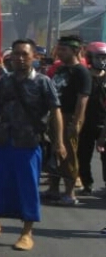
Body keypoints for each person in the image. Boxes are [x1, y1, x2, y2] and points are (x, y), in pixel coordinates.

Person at [0, 39, 64, 252]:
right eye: (16, 54)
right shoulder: (5, 81)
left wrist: (60, 142)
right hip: (4, 141)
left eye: (25, 54)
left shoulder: (43, 82)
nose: (20, 58)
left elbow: (56, 112)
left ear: (35, 57)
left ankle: (26, 233)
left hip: (29, 144)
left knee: (27, 188)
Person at [43, 35, 91, 206]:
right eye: (59, 49)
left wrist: (75, 123)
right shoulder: (60, 69)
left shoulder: (81, 72)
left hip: (69, 117)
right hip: (54, 117)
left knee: (68, 155)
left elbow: (82, 100)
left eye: (64, 50)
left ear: (76, 50)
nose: (59, 52)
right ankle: (53, 189)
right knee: (52, 153)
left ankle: (69, 193)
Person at [78, 41, 106, 195]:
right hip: (86, 123)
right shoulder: (84, 76)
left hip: (104, 124)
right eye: (99, 57)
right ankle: (87, 183)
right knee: (83, 156)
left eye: (105, 58)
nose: (102, 61)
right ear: (89, 57)